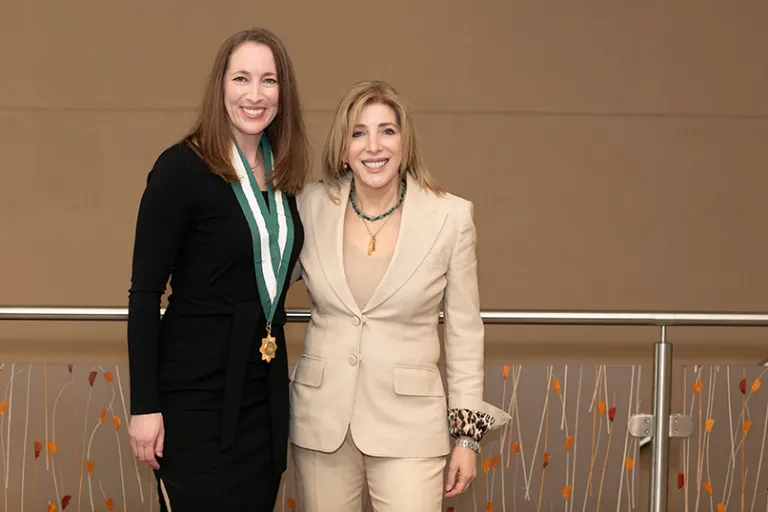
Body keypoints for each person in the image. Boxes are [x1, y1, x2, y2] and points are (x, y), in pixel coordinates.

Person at [291, 80, 510, 512]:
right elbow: (261, 281)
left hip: (411, 429)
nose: (374, 146)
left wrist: (467, 437)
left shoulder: (450, 217)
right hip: (321, 424)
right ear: (342, 147)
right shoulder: (308, 206)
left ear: (405, 142)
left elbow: (465, 334)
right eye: (359, 132)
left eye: (387, 131)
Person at [126, 27, 309, 511]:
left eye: (268, 81)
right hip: (194, 396)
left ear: (282, 92)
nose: (255, 94)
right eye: (241, 78)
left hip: (262, 391)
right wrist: (144, 405)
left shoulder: (287, 176)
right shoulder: (180, 169)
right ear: (220, 86)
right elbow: (144, 294)